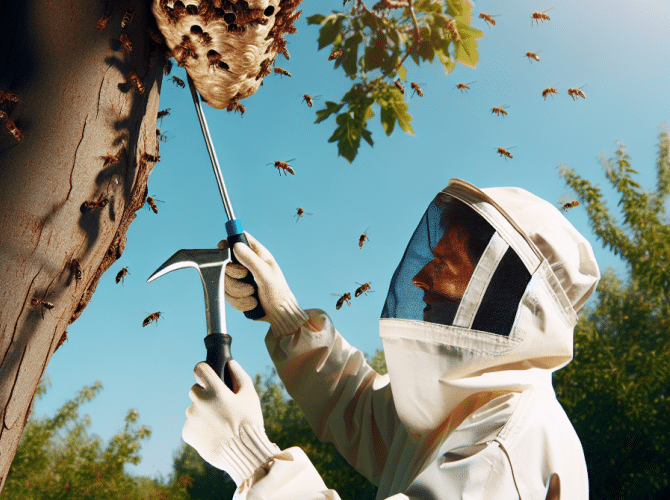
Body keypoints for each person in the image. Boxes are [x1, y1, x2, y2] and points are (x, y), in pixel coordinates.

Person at [181, 179, 599, 499]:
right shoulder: (471, 404)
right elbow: (361, 410)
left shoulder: (503, 447)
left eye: (442, 262)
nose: (419, 278)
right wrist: (284, 313)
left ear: (498, 292)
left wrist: (250, 457)